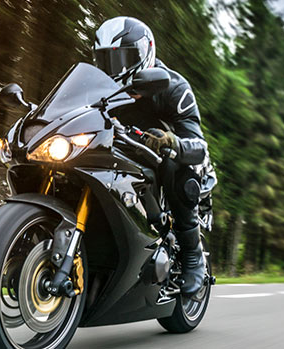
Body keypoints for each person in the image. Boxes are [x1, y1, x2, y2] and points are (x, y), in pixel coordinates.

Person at [92, 16, 207, 296]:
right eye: (106, 61)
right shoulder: (100, 87)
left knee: (179, 170)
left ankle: (193, 257)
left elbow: (199, 146)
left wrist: (171, 141)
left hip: (164, 157)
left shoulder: (175, 89)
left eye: (120, 60)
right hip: (118, 150)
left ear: (145, 54)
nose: (113, 69)